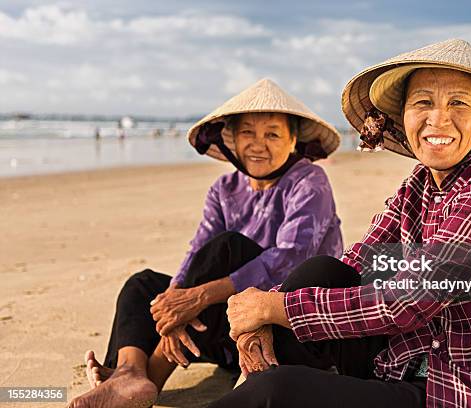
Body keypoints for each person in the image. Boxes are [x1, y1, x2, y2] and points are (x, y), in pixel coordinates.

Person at [213, 39, 471, 408]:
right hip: (413, 361)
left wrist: (276, 310)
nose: (438, 119)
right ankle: (251, 379)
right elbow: (358, 260)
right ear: (403, 115)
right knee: (322, 270)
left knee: (279, 392)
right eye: (423, 102)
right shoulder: (419, 184)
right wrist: (265, 308)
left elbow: (409, 301)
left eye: (458, 103)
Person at [67, 78, 344, 407]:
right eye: (247, 133)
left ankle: (149, 373)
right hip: (226, 327)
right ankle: (128, 373)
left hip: (283, 326)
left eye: (272, 133)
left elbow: (291, 256)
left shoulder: (309, 180)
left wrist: (195, 299)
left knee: (230, 248)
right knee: (142, 286)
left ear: (293, 140)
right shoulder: (224, 188)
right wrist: (174, 301)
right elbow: (198, 248)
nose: (259, 144)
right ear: (232, 140)